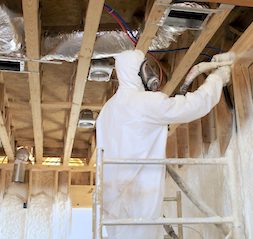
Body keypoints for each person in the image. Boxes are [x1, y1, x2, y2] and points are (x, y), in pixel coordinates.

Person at [96, 49, 231, 239]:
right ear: (137, 72)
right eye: (146, 68)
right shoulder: (142, 102)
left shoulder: (107, 110)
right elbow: (191, 106)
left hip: (112, 200)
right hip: (139, 197)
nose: (150, 74)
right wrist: (217, 80)